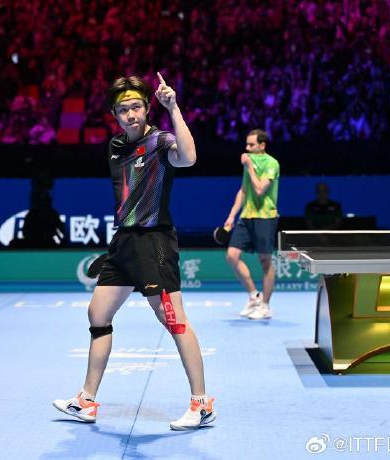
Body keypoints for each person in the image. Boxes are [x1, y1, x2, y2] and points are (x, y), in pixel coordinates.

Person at [53, 74, 215, 431]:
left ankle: (201, 403)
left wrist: (174, 108)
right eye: (124, 109)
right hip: (124, 242)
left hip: (154, 242)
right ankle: (87, 401)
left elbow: (188, 158)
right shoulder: (115, 146)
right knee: (98, 313)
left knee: (174, 320)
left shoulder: (160, 140)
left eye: (137, 107)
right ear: (115, 115)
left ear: (146, 109)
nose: (131, 114)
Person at [223, 129, 280, 320]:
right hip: (246, 216)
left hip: (265, 217)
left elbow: (259, 189)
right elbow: (244, 191)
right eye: (246, 144)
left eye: (251, 145)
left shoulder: (271, 163)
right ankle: (254, 296)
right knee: (232, 256)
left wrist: (249, 166)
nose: (247, 148)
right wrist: (231, 216)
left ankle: (265, 306)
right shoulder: (249, 163)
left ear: (262, 145)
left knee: (265, 261)